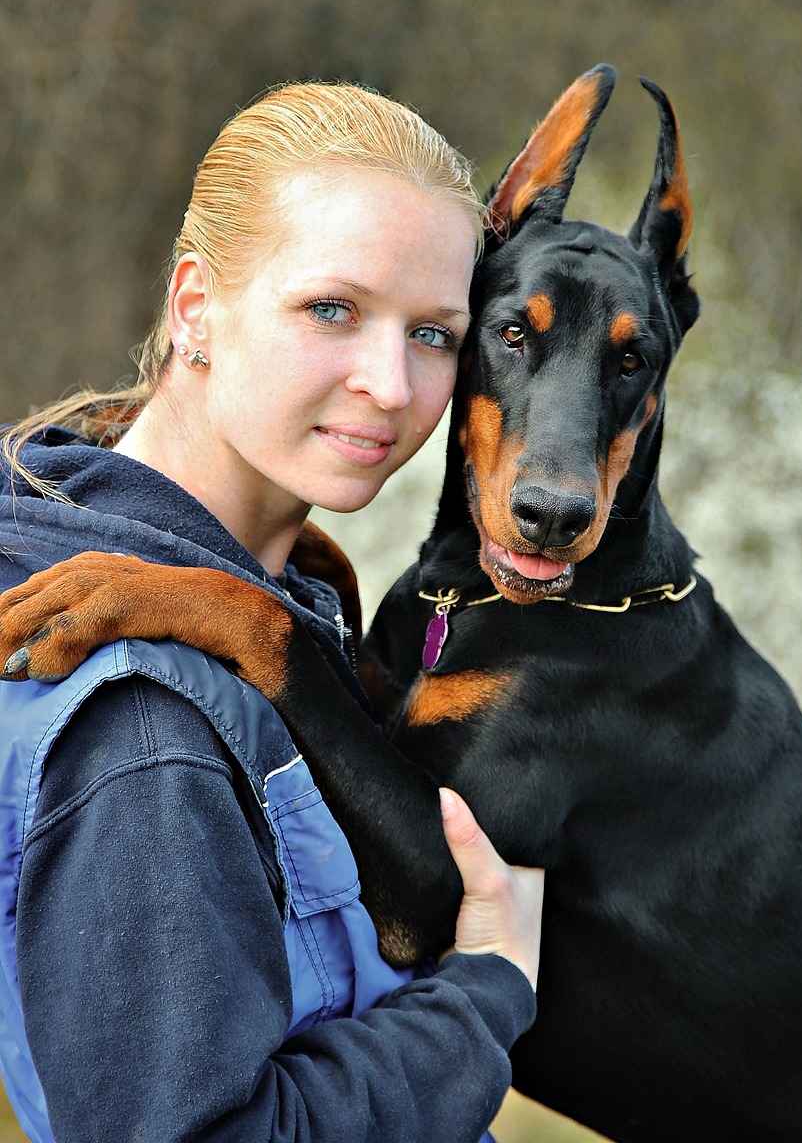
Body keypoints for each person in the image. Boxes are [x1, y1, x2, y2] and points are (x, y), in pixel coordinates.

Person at [0, 83, 544, 1143]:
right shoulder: (144, 725)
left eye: (433, 334)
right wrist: (483, 992)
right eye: (330, 309)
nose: (389, 384)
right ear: (195, 306)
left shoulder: (277, 604)